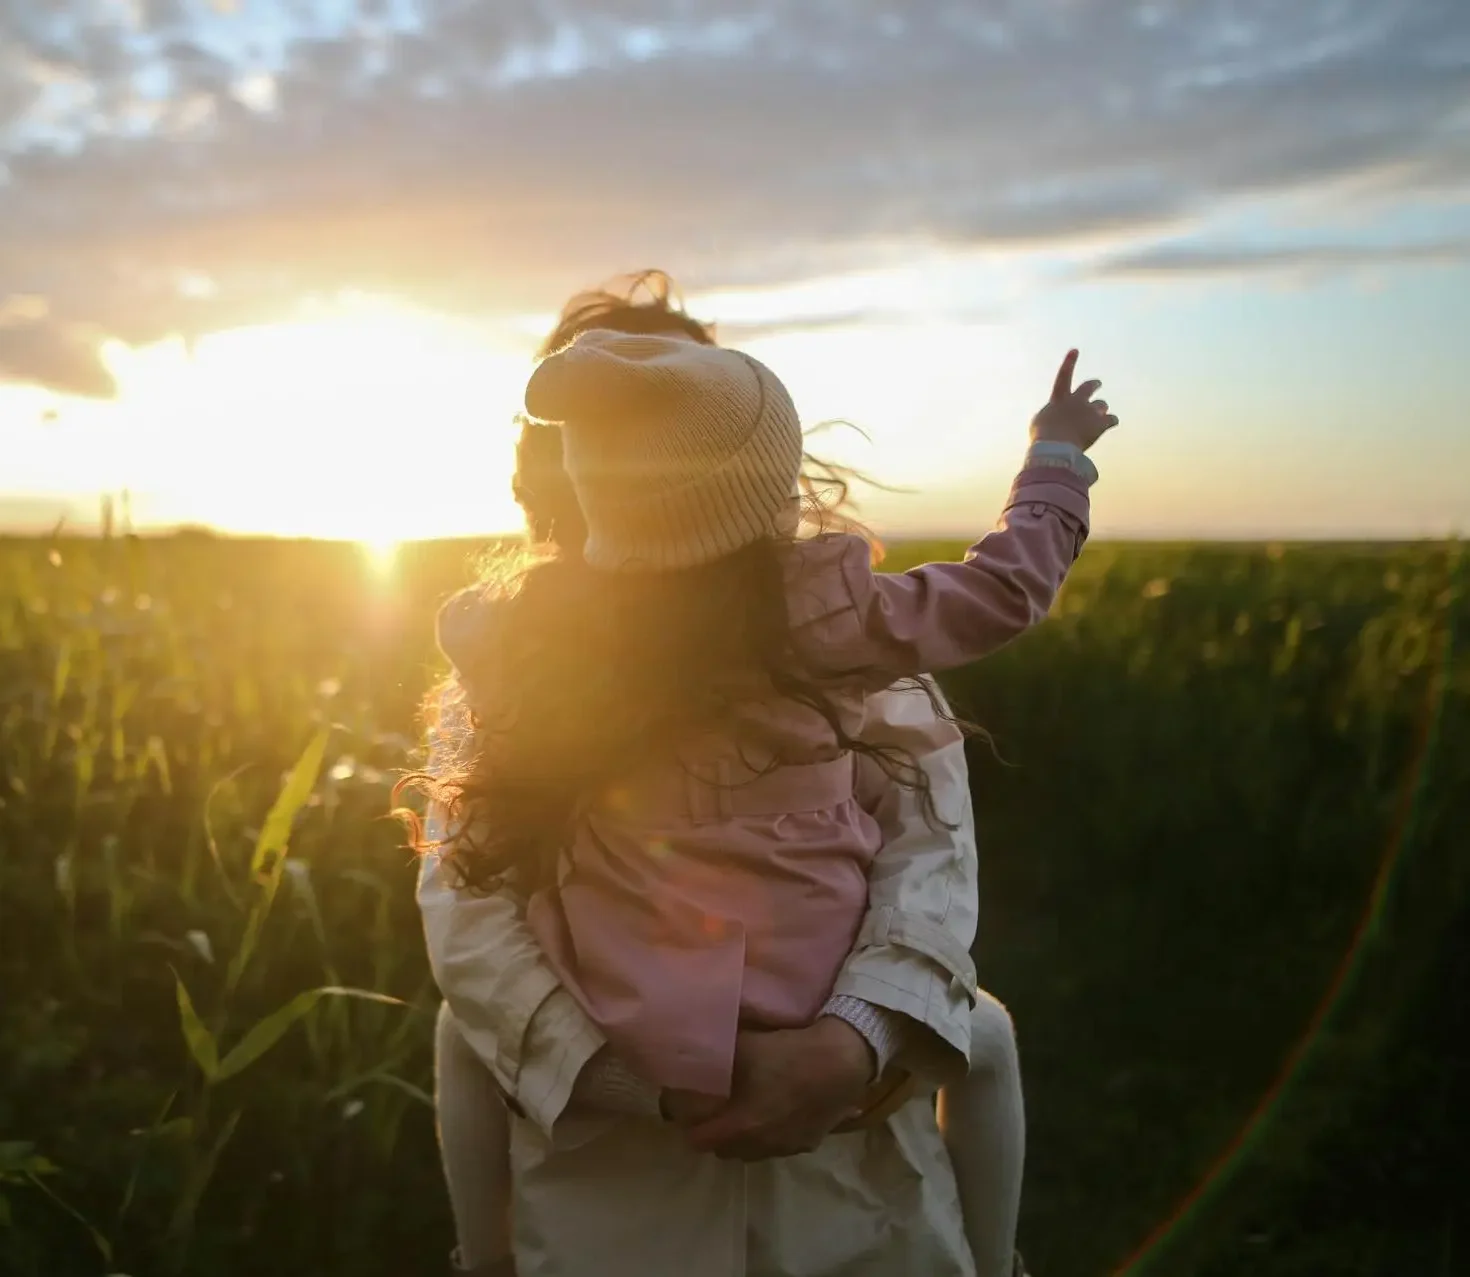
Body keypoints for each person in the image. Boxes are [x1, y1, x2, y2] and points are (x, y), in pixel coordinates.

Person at [414, 274, 1108, 1276]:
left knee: (458, 1041)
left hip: (856, 1176)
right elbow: (469, 907)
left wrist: (850, 1042)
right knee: (985, 1033)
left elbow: (929, 850)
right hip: (610, 1182)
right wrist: (1057, 462)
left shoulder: (521, 646)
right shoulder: (837, 623)